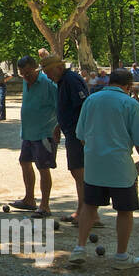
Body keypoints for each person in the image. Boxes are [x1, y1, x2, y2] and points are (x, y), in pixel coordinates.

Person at [70, 69, 139, 268]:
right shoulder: (130, 104)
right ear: (128, 86)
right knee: (124, 210)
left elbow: (80, 135)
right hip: (120, 165)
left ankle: (79, 248)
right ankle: (121, 256)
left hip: (94, 163)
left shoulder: (91, 101)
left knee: (89, 206)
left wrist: (95, 151)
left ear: (109, 82)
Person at [41, 54, 94, 227]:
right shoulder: (63, 81)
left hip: (78, 134)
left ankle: (88, 214)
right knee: (78, 173)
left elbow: (84, 106)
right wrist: (59, 125)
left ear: (58, 67)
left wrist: (83, 134)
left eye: (48, 71)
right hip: (72, 132)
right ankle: (82, 211)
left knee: (80, 173)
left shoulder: (71, 80)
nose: (47, 76)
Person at [14, 54, 58, 217]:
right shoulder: (26, 82)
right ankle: (29, 199)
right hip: (28, 133)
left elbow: (60, 107)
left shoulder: (48, 84)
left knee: (43, 167)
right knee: (24, 162)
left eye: (28, 73)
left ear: (35, 69)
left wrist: (58, 128)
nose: (25, 77)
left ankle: (45, 205)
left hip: (44, 134)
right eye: (22, 74)